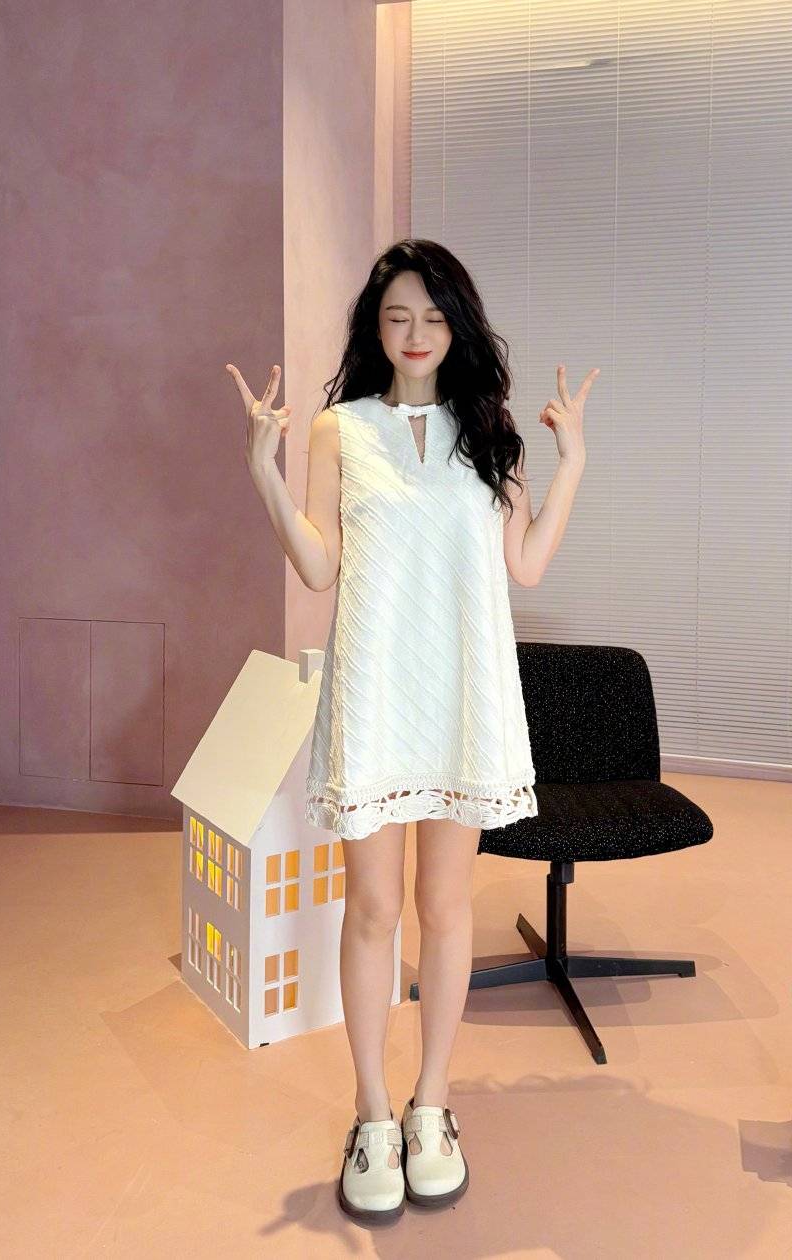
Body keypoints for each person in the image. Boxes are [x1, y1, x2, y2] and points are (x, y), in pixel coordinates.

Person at [226, 239, 597, 1223]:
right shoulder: (340, 430)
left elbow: (526, 565)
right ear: (375, 329)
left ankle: (433, 1103)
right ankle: (374, 1113)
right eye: (397, 317)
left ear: (457, 326)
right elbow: (319, 566)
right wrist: (263, 471)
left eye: (433, 317)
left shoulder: (492, 435)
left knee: (446, 906)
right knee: (374, 910)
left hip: (465, 698)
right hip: (379, 695)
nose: (416, 334)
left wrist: (573, 462)